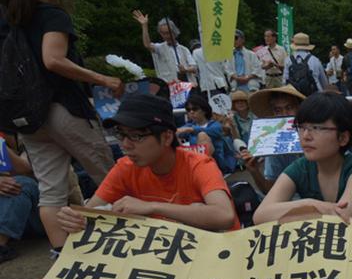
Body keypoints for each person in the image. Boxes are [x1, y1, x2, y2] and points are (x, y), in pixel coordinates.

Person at [2, 0, 121, 254]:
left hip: (27, 118)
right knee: (109, 176)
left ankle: (61, 254)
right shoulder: (52, 14)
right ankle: (128, 243)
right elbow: (53, 59)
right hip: (62, 108)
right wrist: (103, 79)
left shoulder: (9, 19)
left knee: (50, 191)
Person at [56, 94, 239, 233]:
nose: (126, 145)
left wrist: (152, 207)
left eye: (136, 136)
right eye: (122, 135)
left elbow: (224, 216)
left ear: (167, 137)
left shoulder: (199, 164)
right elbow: (91, 212)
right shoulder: (125, 167)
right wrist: (76, 219)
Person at [254, 92, 352, 224]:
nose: (306, 136)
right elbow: (260, 216)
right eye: (301, 127)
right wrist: (311, 204)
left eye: (316, 128)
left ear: (342, 138)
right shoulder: (300, 167)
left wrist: (295, 213)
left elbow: (342, 218)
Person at [241, 85, 306, 195]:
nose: (284, 115)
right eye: (278, 110)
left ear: (299, 108)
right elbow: (270, 191)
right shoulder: (275, 146)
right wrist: (254, 171)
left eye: (289, 108)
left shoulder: (315, 134)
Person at [0, 137, 41, 263]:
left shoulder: (27, 130)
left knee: (21, 183)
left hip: (32, 214)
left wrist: (2, 145)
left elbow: (25, 170)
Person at [177, 95, 236, 175]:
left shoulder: (215, 124)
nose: (191, 112)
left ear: (204, 110)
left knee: (202, 135)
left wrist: (191, 130)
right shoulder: (189, 126)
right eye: (188, 110)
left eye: (195, 109)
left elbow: (214, 131)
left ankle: (204, 171)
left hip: (218, 163)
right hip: (197, 162)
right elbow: (177, 132)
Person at [132, 10, 196, 84]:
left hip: (187, 86)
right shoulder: (159, 48)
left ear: (174, 32)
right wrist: (144, 26)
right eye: (163, 33)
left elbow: (194, 67)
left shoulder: (184, 49)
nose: (166, 36)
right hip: (169, 87)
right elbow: (147, 45)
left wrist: (186, 69)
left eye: (168, 33)